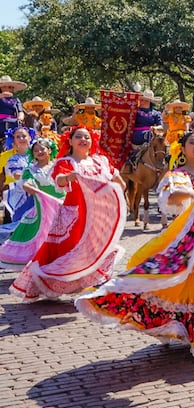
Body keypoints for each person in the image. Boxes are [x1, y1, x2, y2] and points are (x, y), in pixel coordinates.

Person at [76, 130, 194, 362]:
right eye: (193, 142)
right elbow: (171, 198)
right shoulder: (177, 176)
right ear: (183, 149)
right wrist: (189, 194)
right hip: (186, 245)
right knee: (183, 288)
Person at [8, 127, 126, 302]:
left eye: (87, 137)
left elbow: (120, 184)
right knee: (67, 251)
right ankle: (47, 282)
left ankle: (94, 281)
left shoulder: (100, 161)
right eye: (78, 137)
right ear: (70, 141)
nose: (83, 140)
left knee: (102, 247)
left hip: (98, 215)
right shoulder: (65, 162)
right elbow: (59, 181)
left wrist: (114, 198)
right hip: (75, 214)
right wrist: (69, 177)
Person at [0, 137, 61, 247]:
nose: (39, 152)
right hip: (41, 206)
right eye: (36, 150)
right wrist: (28, 186)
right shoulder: (31, 169)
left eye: (42, 149)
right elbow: (26, 182)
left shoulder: (59, 165)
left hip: (60, 203)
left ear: (50, 150)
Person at [0, 126, 33, 223]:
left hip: (38, 191)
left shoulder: (38, 154)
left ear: (30, 138)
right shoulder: (10, 157)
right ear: (13, 140)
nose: (22, 139)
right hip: (17, 192)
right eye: (18, 137)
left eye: (24, 136)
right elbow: (16, 174)